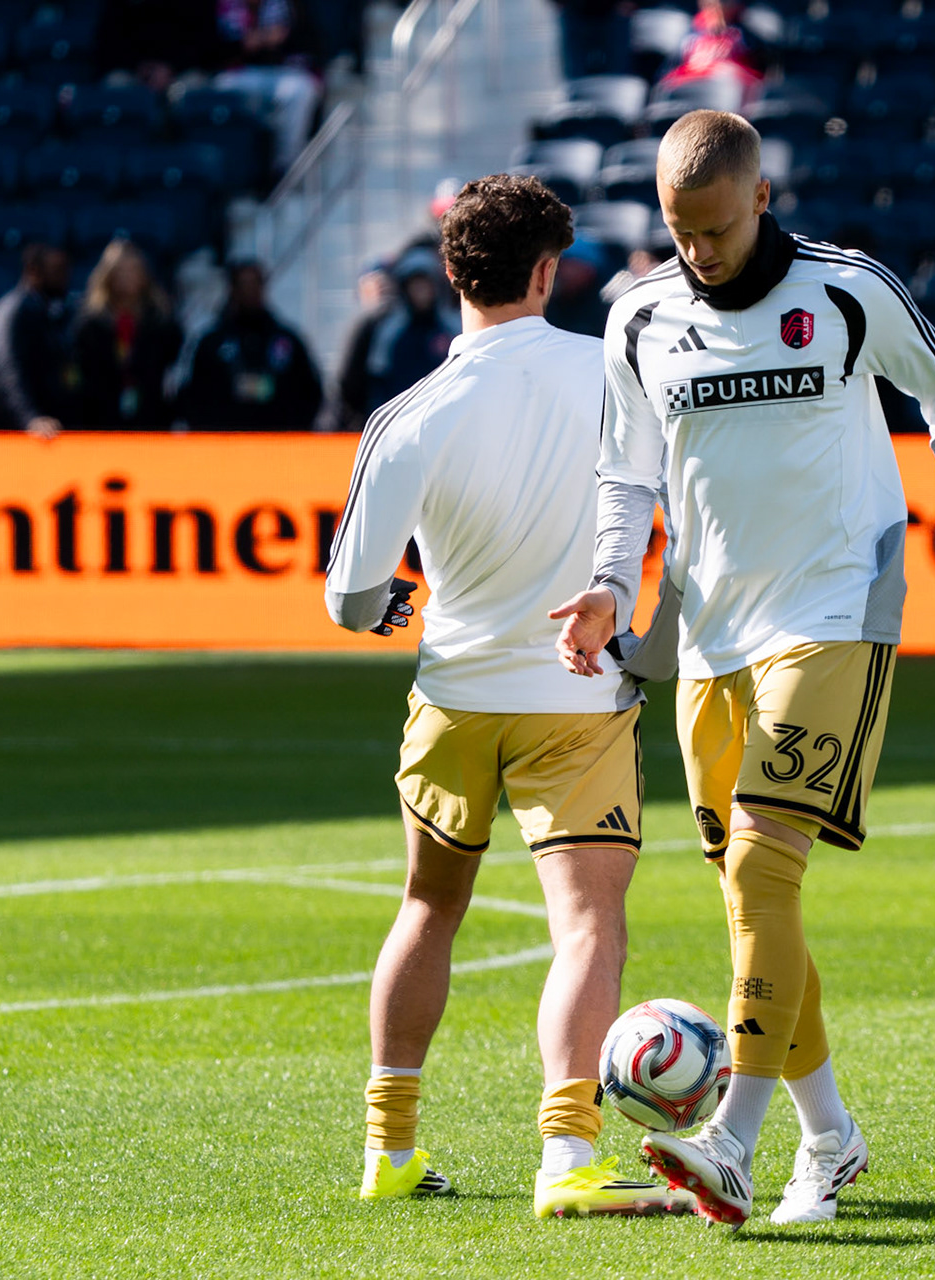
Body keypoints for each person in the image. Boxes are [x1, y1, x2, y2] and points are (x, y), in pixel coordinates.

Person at [550, 110, 935, 1227]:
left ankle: (731, 1139)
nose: (700, 251)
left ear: (762, 198)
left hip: (836, 609)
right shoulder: (640, 317)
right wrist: (612, 584)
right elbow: (625, 476)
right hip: (709, 633)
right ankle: (830, 1139)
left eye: (716, 227)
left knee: (766, 873)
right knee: (748, 896)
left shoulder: (849, 290)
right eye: (681, 231)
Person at [325, 174, 696, 1219]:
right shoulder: (615, 375)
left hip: (452, 692)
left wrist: (395, 600)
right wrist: (648, 643)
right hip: (577, 695)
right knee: (587, 924)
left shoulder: (409, 412)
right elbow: (692, 521)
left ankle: (389, 1147)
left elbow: (351, 596)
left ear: (450, 272)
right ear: (549, 271)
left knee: (427, 907)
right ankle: (567, 1155)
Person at [180, 260, 324, 429]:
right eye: (243, 285)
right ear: (232, 290)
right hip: (224, 442)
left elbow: (310, 392)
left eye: (254, 284)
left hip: (278, 441)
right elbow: (194, 395)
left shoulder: (286, 341)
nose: (249, 291)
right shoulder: (212, 343)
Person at [332, 247, 461, 430]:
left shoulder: (453, 327)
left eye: (425, 284)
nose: (420, 291)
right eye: (414, 285)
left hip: (444, 423)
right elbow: (376, 379)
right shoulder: (388, 331)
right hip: (397, 425)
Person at [73, 241, 185, 430]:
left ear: (144, 275)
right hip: (102, 418)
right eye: (121, 270)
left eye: (133, 270)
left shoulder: (160, 320)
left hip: (152, 417)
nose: (127, 277)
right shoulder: (91, 322)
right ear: (108, 275)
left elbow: (172, 362)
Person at [210, 0, 323, 172]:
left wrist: (280, 40)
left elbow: (311, 47)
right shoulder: (225, 6)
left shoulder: (290, 6)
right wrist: (244, 44)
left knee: (300, 91)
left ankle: (285, 166)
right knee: (222, 88)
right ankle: (231, 166)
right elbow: (211, 52)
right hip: (241, 72)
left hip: (284, 72)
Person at [0, 243, 78, 438]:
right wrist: (29, 418)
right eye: (56, 270)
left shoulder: (50, 312)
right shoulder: (12, 311)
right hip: (19, 436)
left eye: (65, 270)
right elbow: (7, 370)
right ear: (33, 271)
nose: (64, 277)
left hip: (49, 430)